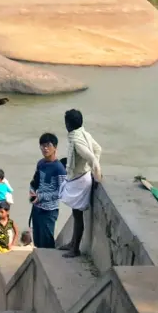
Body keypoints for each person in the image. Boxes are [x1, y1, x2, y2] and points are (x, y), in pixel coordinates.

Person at [59, 110, 102, 259]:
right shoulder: (85, 134)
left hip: (80, 180)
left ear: (68, 124)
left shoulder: (77, 140)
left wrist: (97, 176)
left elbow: (92, 158)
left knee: (77, 216)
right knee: (75, 213)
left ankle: (75, 248)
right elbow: (98, 150)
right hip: (81, 177)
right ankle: (72, 243)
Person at [29, 133, 67, 249]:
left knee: (47, 243)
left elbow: (61, 193)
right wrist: (32, 192)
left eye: (48, 145)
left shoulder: (59, 169)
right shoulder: (40, 163)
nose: (45, 148)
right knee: (37, 242)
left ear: (55, 147)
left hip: (49, 211)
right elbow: (35, 182)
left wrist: (40, 197)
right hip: (37, 208)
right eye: (42, 145)